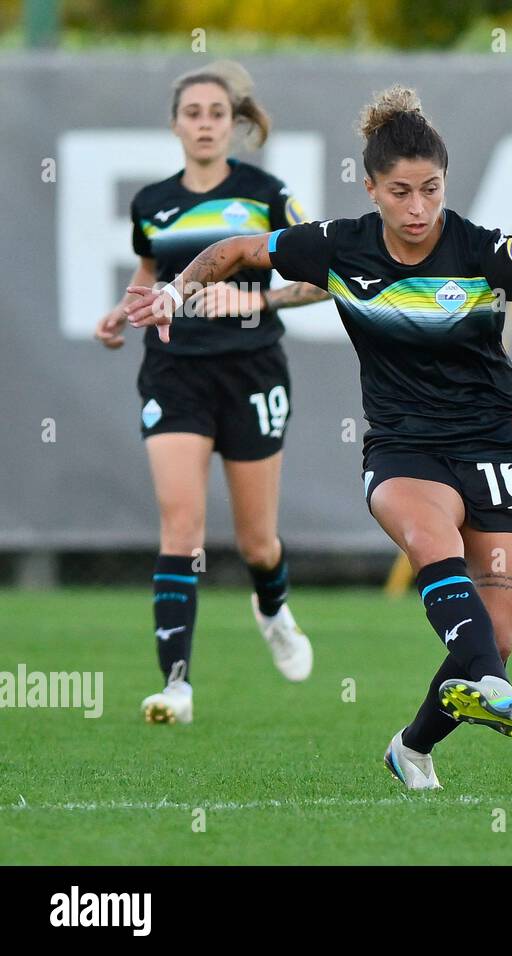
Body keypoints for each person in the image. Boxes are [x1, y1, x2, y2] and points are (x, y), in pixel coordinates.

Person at [125, 86, 512, 787]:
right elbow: (237, 249)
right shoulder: (336, 245)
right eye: (400, 192)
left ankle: (412, 748)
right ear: (371, 189)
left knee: (498, 638)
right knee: (431, 542)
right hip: (403, 449)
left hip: (494, 446)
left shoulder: (485, 251)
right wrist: (175, 293)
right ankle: (486, 680)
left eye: (431, 190)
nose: (418, 208)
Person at [95, 61, 330, 726]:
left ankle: (274, 607)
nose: (203, 124)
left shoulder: (267, 195)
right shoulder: (151, 203)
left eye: (215, 113)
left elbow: (323, 280)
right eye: (192, 113)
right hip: (174, 373)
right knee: (182, 528)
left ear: (235, 124)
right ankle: (176, 685)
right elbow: (151, 274)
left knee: (258, 544)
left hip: (251, 372)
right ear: (175, 124)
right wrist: (122, 312)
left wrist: (251, 294)